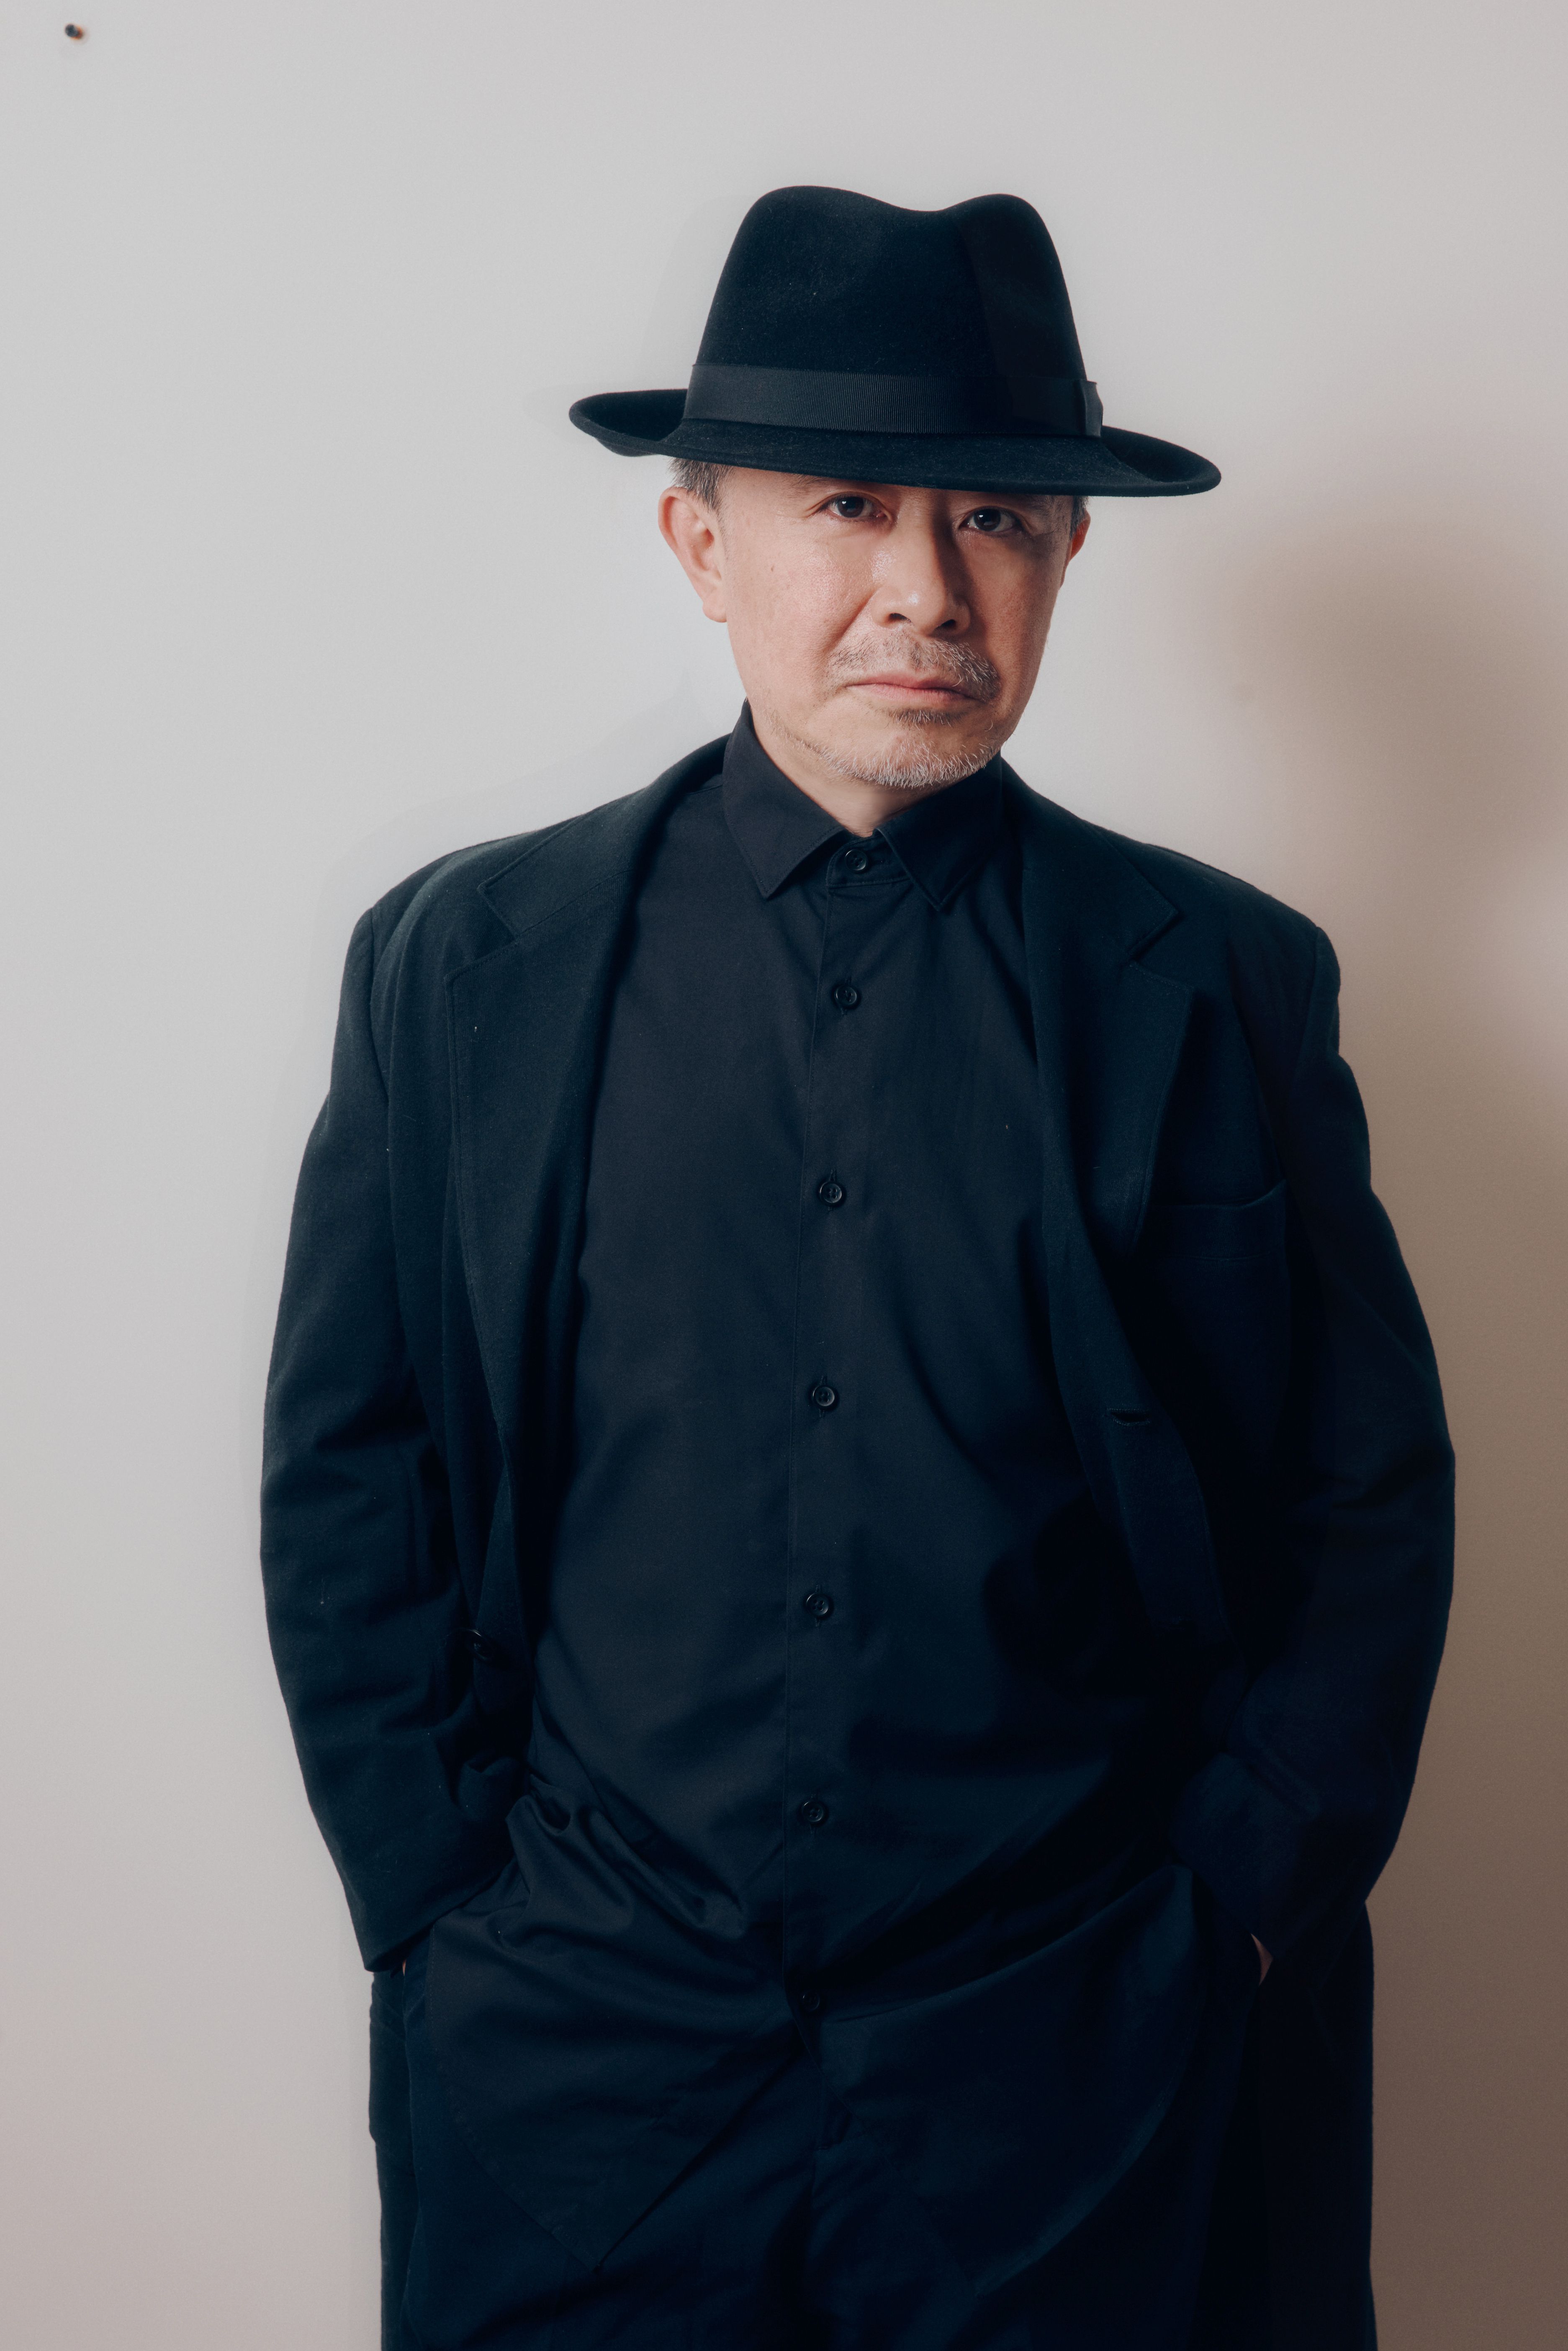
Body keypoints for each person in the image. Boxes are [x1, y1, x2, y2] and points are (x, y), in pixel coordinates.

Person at [261, 186, 1453, 2351]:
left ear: (1065, 556)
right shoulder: (465, 966)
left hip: (1076, 2073)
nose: (926, 588)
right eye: (846, 505)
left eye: (995, 519)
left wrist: (1238, 1909)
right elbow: (357, 1467)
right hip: (577, 2066)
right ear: (700, 544)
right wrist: (435, 1908)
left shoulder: (1223, 984)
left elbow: (1362, 1492)